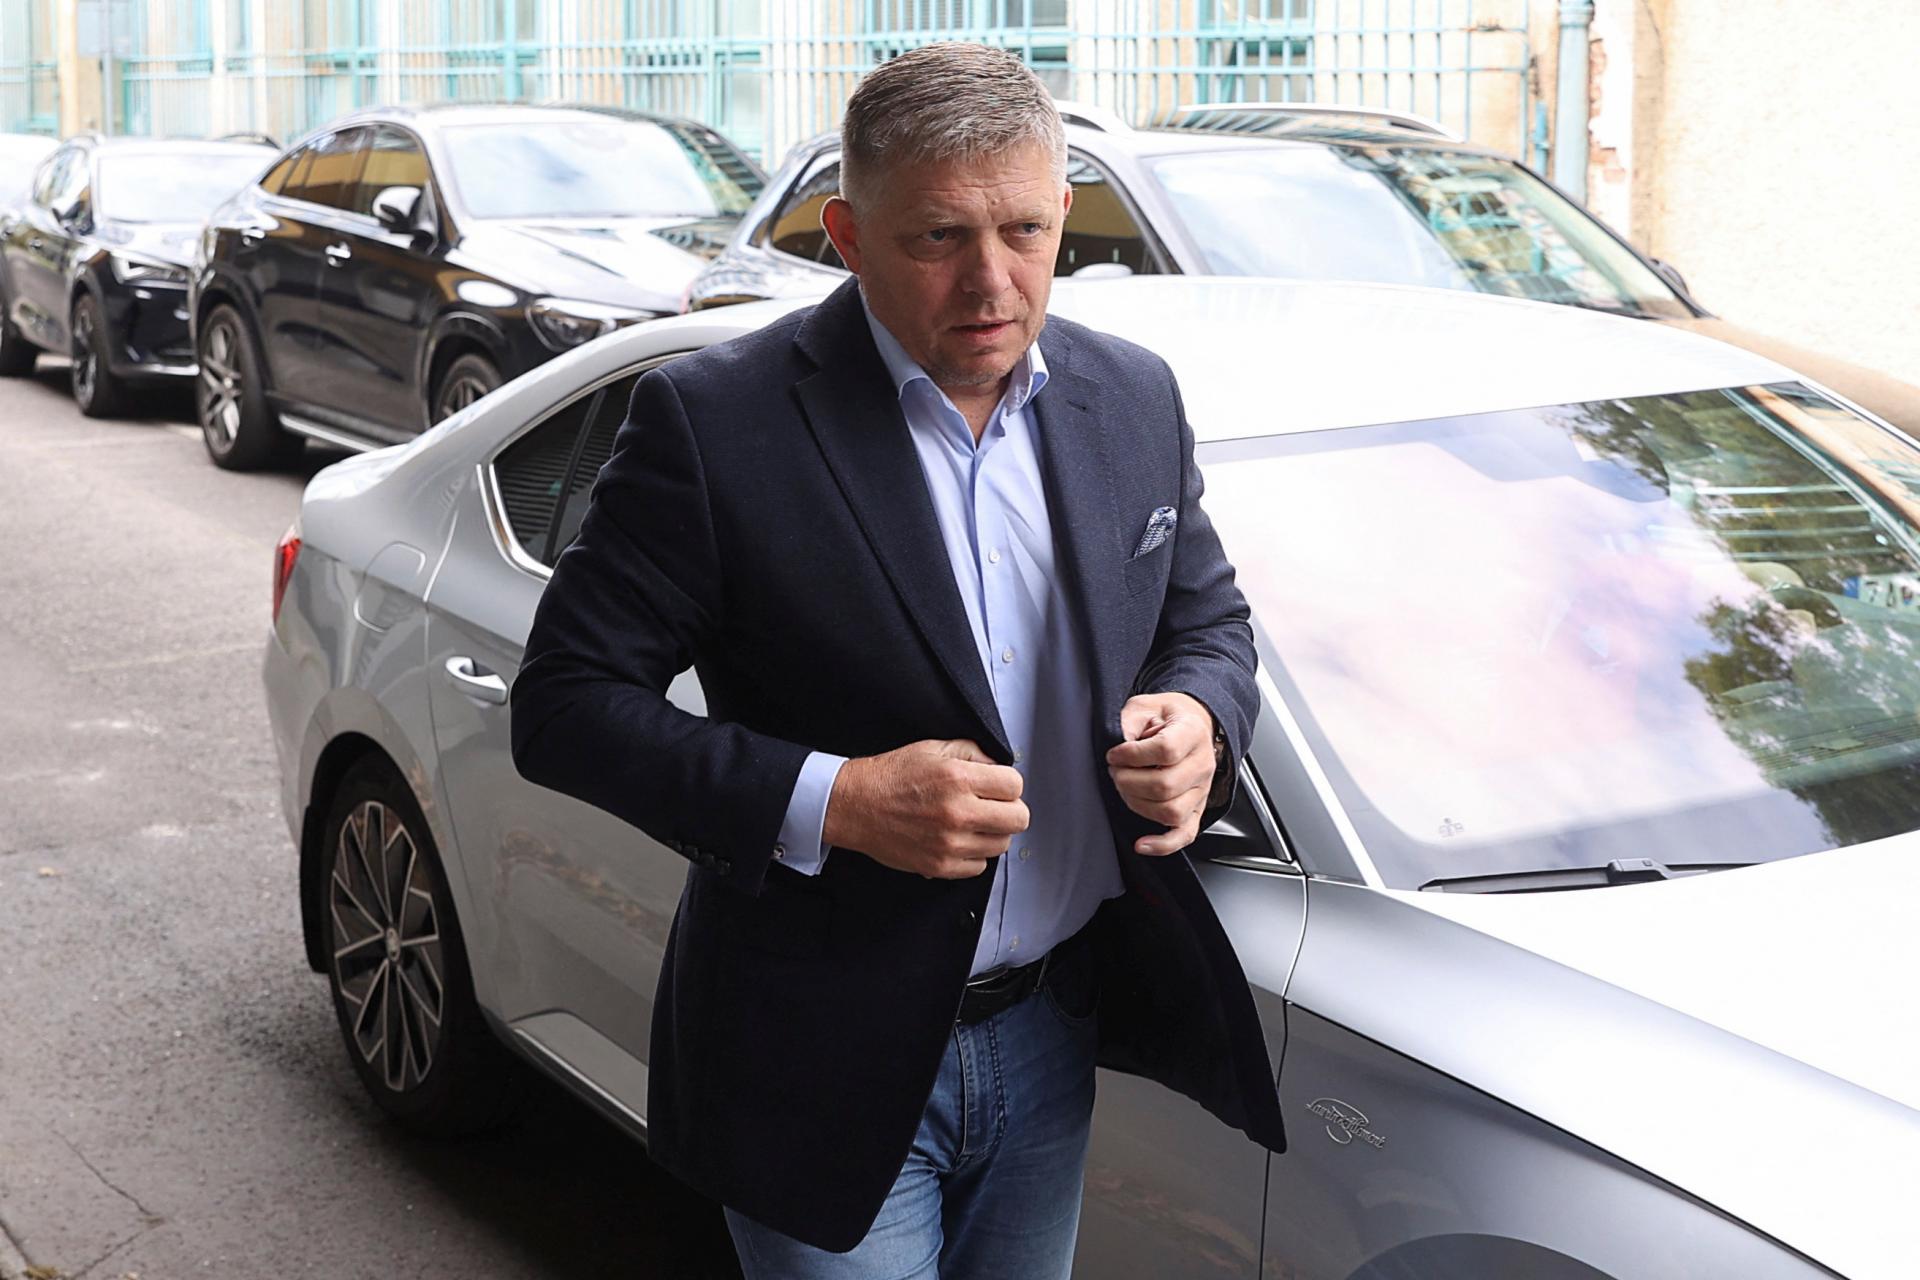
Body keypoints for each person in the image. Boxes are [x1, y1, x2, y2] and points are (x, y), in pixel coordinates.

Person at [509, 42, 1283, 1279]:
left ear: (1064, 211)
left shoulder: (1133, 397)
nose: (993, 280)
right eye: (938, 237)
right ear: (848, 236)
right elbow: (564, 706)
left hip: (1052, 1029)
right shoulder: (717, 424)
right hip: (817, 1053)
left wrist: (1201, 716)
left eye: (1026, 230)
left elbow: (1212, 623)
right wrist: (840, 799)